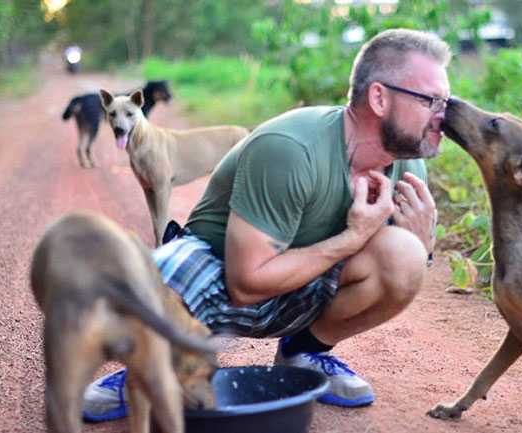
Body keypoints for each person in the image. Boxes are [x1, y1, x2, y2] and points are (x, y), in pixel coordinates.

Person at [82, 28, 451, 421]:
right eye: (431, 101)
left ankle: (302, 353)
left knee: (405, 255)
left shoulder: (409, 164)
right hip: (221, 274)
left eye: (445, 102)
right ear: (379, 97)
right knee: (167, 270)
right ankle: (148, 367)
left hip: (302, 280)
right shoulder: (290, 148)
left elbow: (391, 262)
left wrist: (421, 246)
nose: (443, 116)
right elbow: (244, 285)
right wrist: (353, 236)